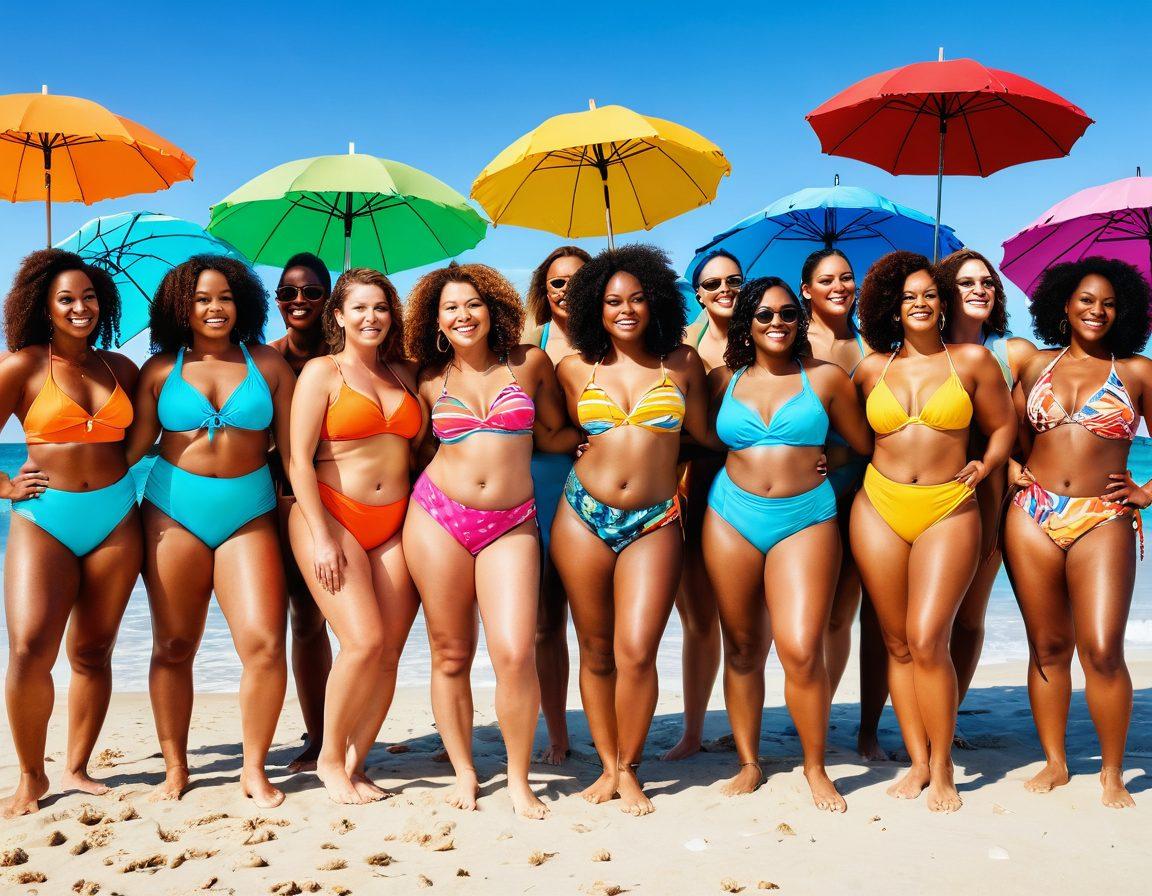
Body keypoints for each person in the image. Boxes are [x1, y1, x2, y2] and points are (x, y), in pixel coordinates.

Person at [403, 262, 578, 819]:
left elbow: (554, 433)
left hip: (512, 522)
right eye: (450, 307)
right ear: (436, 319)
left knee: (514, 651)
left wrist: (608, 437)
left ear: (494, 309)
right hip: (437, 517)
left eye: (473, 304)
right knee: (450, 652)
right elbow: (407, 449)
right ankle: (464, 772)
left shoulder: (529, 363)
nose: (463, 315)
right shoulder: (428, 377)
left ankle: (520, 778)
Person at [127, 255, 295, 807]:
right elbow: (129, 452)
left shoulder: (267, 364)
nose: (215, 307)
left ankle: (253, 768)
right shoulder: (159, 371)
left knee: (266, 646)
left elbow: (294, 454)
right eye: (201, 299)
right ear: (182, 306)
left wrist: (315, 521)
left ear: (241, 301)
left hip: (249, 510)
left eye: (224, 297)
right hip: (173, 510)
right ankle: (176, 767)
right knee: (174, 644)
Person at [851, 251, 1015, 812]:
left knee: (927, 638)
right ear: (891, 309)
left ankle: (943, 766)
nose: (919, 303)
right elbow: (846, 432)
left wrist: (987, 464)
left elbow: (1001, 427)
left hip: (949, 505)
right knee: (896, 642)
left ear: (942, 303)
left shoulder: (971, 360)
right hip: (878, 504)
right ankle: (917, 762)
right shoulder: (872, 367)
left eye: (929, 294)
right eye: (908, 297)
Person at [553, 245, 713, 815]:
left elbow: (709, 437)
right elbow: (549, 434)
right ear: (594, 307)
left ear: (657, 302)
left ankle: (630, 768)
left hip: (655, 519)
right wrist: (572, 445)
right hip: (581, 515)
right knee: (595, 650)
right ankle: (605, 765)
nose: (626, 309)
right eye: (613, 300)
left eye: (637, 298)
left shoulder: (682, 364)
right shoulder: (574, 369)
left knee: (637, 650)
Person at [705, 276, 872, 811]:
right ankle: (750, 762)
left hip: (806, 517)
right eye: (764, 315)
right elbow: (699, 439)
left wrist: (833, 460)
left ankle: (815, 765)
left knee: (802, 649)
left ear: (799, 322)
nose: (776, 323)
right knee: (743, 646)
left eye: (786, 314)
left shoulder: (825, 378)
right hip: (730, 515)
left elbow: (863, 445)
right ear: (747, 324)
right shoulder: (721, 379)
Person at [1004, 257, 1152, 810]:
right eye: (1087, 300)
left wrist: (1146, 491)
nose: (1097, 310)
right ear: (1063, 305)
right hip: (1033, 514)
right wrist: (1011, 470)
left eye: (1109, 303)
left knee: (1103, 649)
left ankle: (1113, 772)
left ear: (1124, 312)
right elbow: (1010, 436)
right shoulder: (1036, 366)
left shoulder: (1136, 371)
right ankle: (1056, 762)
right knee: (1047, 646)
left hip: (1102, 517)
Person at [0, 250, 140, 818]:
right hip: (45, 518)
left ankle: (77, 767)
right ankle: (31, 776)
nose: (80, 307)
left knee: (93, 650)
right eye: (66, 299)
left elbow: (147, 441)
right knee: (31, 647)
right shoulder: (21, 366)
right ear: (44, 306)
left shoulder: (120, 369)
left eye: (88, 297)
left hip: (116, 517)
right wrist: (5, 486)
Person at [287, 268, 424, 804]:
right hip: (331, 515)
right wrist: (321, 537)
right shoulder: (322, 372)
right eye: (360, 308)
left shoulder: (407, 373)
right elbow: (298, 461)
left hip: (395, 522)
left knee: (388, 650)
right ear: (338, 316)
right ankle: (327, 759)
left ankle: (357, 760)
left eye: (382, 308)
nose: (372, 318)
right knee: (363, 641)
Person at [938, 249, 1036, 735]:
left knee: (970, 615)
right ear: (944, 292)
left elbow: (1035, 425)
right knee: (927, 621)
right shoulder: (919, 347)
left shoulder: (1012, 352)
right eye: (965, 282)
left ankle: (949, 713)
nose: (979, 290)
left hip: (991, 498)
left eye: (987, 283)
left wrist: (1016, 460)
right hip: (929, 499)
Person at [799, 248, 888, 761]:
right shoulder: (788, 338)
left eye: (847, 277)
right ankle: (821, 722)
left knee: (863, 611)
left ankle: (867, 730)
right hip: (811, 490)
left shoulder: (876, 340)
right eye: (826, 279)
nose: (839, 286)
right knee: (818, 615)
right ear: (806, 289)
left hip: (870, 484)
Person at [664, 249, 742, 761]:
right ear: (698, 293)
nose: (724, 290)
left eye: (734, 280)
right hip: (685, 479)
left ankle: (743, 724)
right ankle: (692, 730)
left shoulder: (767, 334)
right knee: (696, 615)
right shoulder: (679, 346)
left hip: (746, 481)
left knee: (743, 616)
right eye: (712, 283)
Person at [523, 246, 590, 765]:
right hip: (542, 486)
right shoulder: (532, 343)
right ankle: (558, 733)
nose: (568, 290)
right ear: (545, 294)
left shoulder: (620, 338)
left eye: (578, 280)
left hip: (600, 489)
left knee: (596, 623)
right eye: (557, 283)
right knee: (545, 623)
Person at [269, 252, 334, 771]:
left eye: (311, 292)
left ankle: (346, 729)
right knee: (303, 620)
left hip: (348, 500)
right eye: (288, 292)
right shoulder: (265, 360)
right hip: (280, 503)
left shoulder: (351, 356)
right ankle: (317, 736)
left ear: (328, 299)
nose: (299, 301)